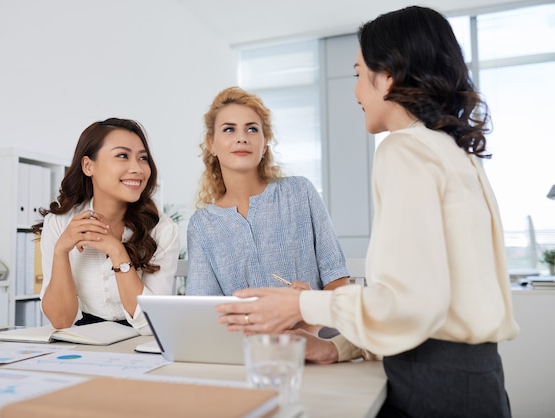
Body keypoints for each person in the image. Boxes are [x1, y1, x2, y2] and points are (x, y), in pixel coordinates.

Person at [216, 6, 519, 417]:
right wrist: (336, 347)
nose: (355, 90)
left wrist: (300, 305)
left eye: (359, 73)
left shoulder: (404, 150)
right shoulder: (451, 152)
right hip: (472, 380)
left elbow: (409, 305)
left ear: (388, 76)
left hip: (434, 386)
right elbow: (426, 303)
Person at [186, 86, 374, 364]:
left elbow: (338, 281)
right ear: (211, 144)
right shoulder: (202, 225)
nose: (241, 137)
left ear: (265, 142)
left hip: (326, 349)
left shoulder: (300, 192)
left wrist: (309, 324)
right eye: (229, 129)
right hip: (250, 356)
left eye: (252, 129)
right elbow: (206, 312)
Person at [33, 118, 180, 335]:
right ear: (88, 166)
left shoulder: (162, 229)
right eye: (123, 156)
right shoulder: (58, 223)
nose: (137, 168)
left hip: (141, 341)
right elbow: (61, 321)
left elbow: (151, 324)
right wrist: (61, 251)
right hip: (86, 341)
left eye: (143, 158)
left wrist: (117, 252)